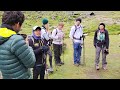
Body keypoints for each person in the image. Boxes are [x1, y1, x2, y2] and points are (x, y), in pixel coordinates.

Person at [0, 11, 36, 79]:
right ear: (17, 24)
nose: (20, 28)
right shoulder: (16, 40)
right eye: (21, 25)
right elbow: (31, 63)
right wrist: (28, 46)